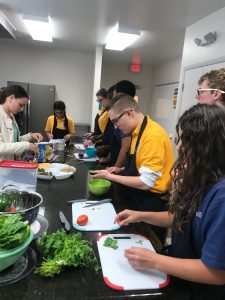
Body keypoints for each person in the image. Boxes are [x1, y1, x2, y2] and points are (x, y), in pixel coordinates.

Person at [115, 104, 225, 300]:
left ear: (206, 143)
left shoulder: (221, 196)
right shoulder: (201, 177)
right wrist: (140, 215)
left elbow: (216, 272)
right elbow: (179, 217)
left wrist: (156, 261)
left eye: (184, 139)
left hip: (202, 291)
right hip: (181, 277)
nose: (179, 145)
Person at [92, 93, 174, 243]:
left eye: (116, 121)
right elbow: (141, 165)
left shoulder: (152, 136)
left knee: (149, 246)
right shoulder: (137, 132)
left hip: (152, 202)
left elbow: (147, 182)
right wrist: (121, 169)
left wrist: (109, 176)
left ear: (129, 113)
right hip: (138, 197)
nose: (116, 126)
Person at [0, 85, 43, 161]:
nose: (22, 109)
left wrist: (30, 136)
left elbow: (13, 141)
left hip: (10, 165)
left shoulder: (11, 116)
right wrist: (26, 145)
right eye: (20, 105)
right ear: (11, 98)